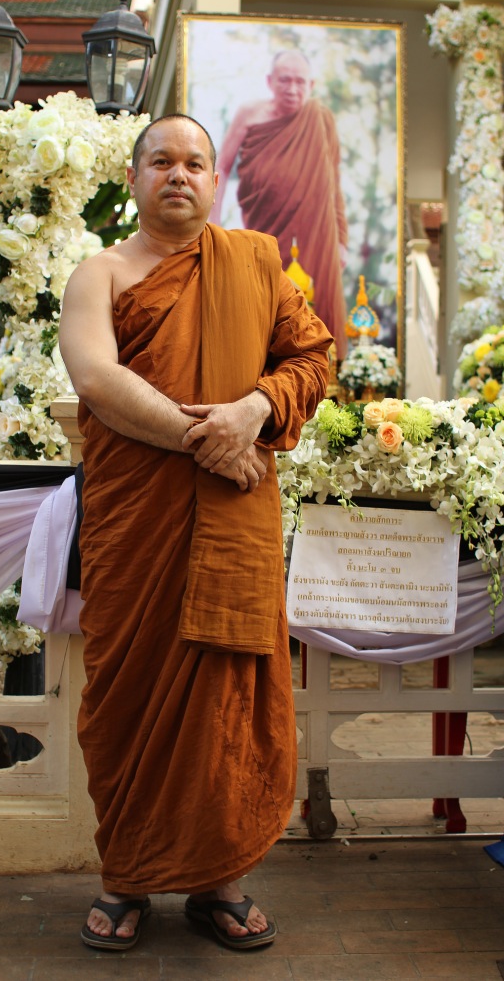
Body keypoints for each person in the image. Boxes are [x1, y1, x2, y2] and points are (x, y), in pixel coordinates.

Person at [58, 113, 332, 953]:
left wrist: (253, 409)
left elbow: (313, 359)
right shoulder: (100, 273)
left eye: (195, 163)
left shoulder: (255, 263)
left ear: (216, 180)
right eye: (162, 161)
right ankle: (128, 874)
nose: (179, 174)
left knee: (228, 697)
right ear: (134, 177)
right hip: (136, 525)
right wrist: (207, 438)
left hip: (233, 522)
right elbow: (95, 376)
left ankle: (221, 878)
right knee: (128, 693)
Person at [209, 50, 349, 357]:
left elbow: (333, 181)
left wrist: (341, 239)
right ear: (270, 81)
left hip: (317, 233)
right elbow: (221, 168)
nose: (292, 88)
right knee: (267, 305)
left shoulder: (320, 118)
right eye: (285, 80)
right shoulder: (249, 114)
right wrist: (212, 226)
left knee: (318, 308)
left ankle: (325, 375)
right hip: (265, 230)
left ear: (311, 85)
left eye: (300, 81)